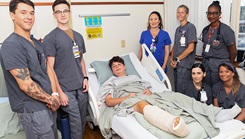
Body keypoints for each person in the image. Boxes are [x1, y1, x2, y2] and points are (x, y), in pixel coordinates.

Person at [97, 56, 241, 139]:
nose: (117, 67)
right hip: (129, 99)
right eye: (114, 66)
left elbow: (148, 88)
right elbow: (109, 102)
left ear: (124, 66)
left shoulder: (135, 77)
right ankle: (172, 125)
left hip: (148, 95)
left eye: (119, 64)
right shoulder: (111, 82)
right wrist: (127, 96)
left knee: (177, 97)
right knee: (141, 105)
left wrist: (147, 90)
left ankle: (217, 113)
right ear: (112, 70)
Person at [0, 0, 60, 139]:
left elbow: (48, 69)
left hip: (49, 104)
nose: (29, 16)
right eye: (23, 12)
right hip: (33, 109)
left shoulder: (37, 44)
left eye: (32, 13)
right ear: (12, 15)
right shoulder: (12, 45)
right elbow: (25, 84)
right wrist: (50, 100)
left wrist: (55, 95)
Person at [43, 0, 88, 138]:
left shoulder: (78, 36)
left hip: (81, 87)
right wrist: (59, 92)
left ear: (70, 12)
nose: (62, 14)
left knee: (82, 121)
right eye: (58, 11)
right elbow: (50, 68)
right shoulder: (51, 38)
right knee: (75, 122)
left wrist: (85, 78)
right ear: (54, 15)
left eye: (65, 11)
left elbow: (81, 59)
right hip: (65, 89)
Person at [200, 1, 237, 87]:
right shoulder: (205, 30)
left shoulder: (226, 30)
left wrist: (228, 66)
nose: (211, 16)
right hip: (206, 64)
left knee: (218, 89)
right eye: (209, 13)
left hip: (220, 65)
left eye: (214, 13)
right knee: (206, 88)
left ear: (220, 14)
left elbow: (233, 51)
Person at [170, 5, 197, 92]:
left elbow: (190, 48)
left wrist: (177, 59)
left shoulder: (190, 27)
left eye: (182, 12)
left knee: (183, 92)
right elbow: (175, 45)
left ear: (187, 14)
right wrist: (172, 59)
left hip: (185, 66)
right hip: (177, 65)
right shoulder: (178, 29)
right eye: (178, 12)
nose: (179, 14)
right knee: (177, 90)